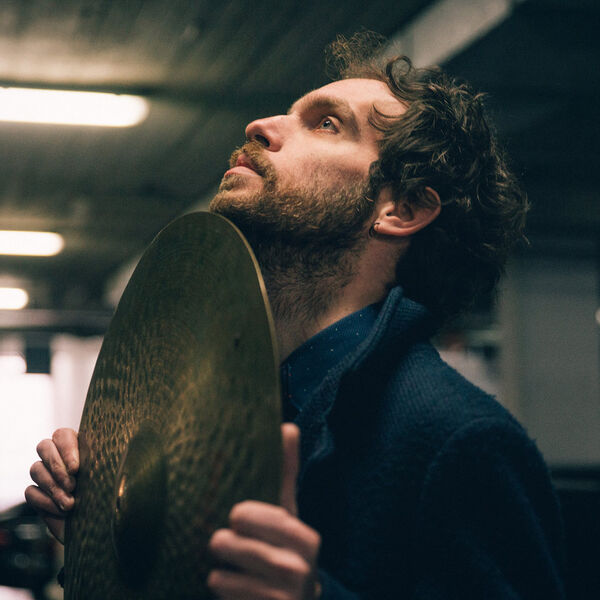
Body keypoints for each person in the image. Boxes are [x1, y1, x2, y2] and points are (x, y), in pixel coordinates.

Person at [25, 35, 565, 599]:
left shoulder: (460, 441)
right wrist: (98, 540)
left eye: (326, 124)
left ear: (400, 209)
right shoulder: (218, 404)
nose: (261, 125)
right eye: (290, 114)